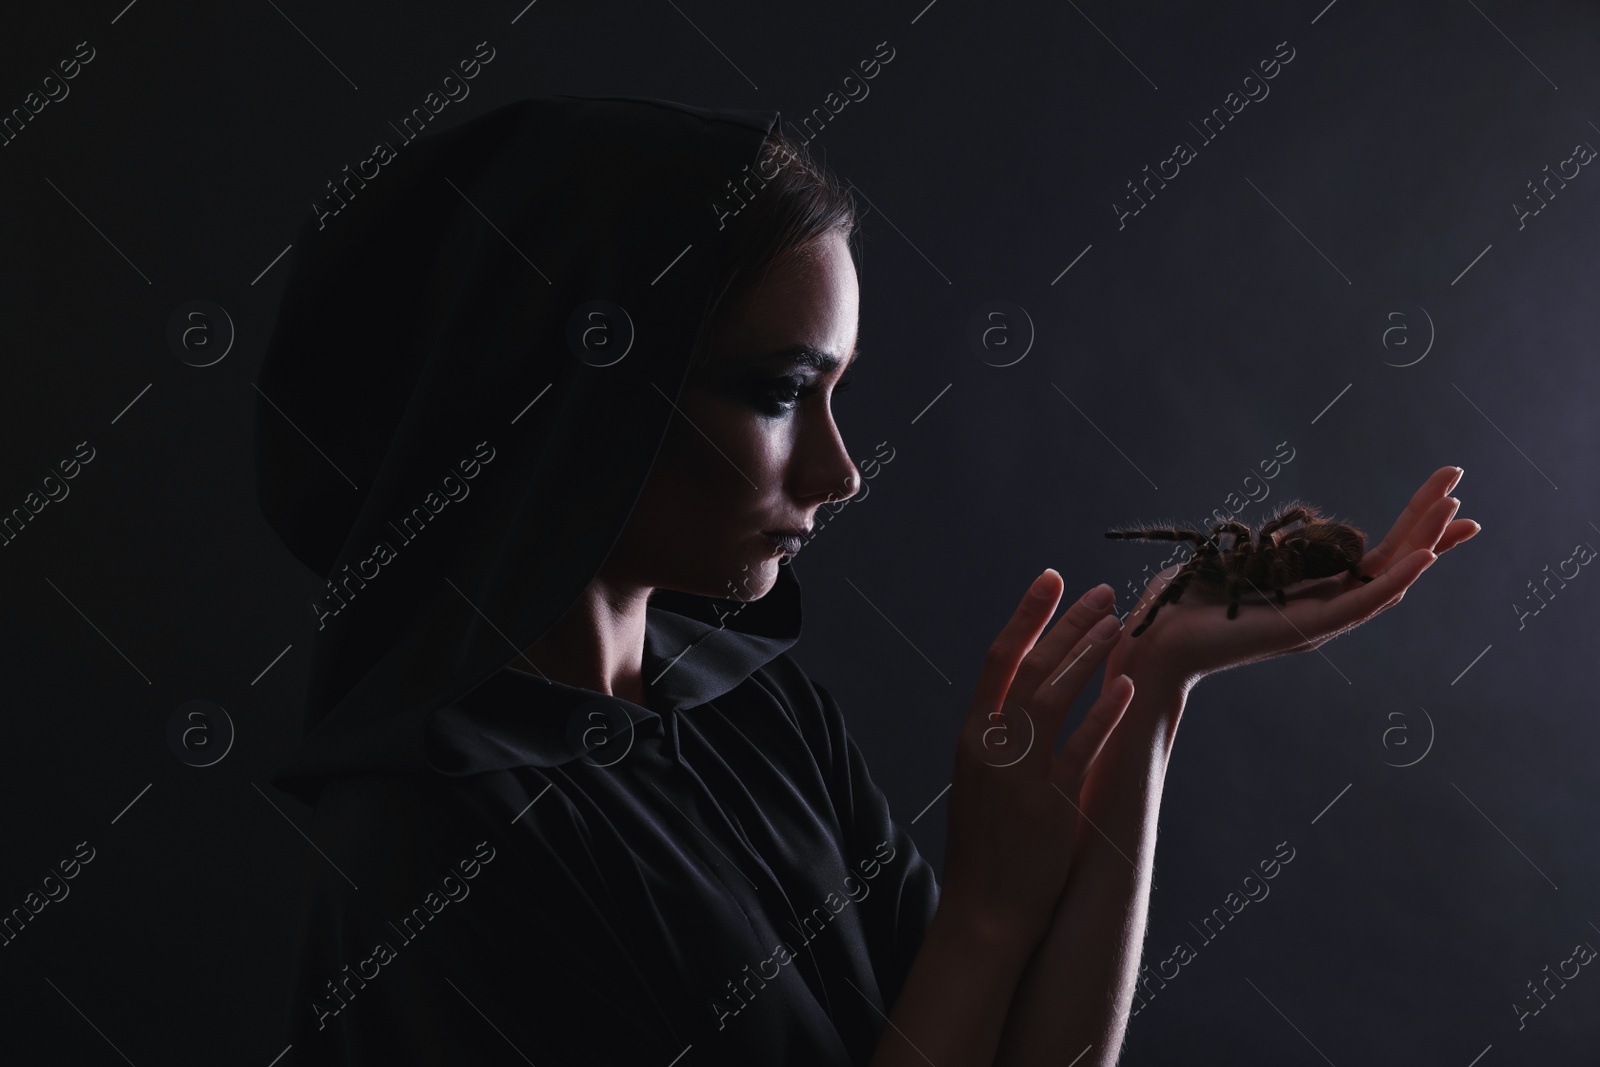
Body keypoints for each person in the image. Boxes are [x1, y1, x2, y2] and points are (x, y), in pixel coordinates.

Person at [254, 95, 1481, 1065]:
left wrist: (1151, 690)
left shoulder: (751, 709)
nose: (842, 471)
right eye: (783, 393)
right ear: (581, 392)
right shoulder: (435, 841)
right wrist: (989, 912)